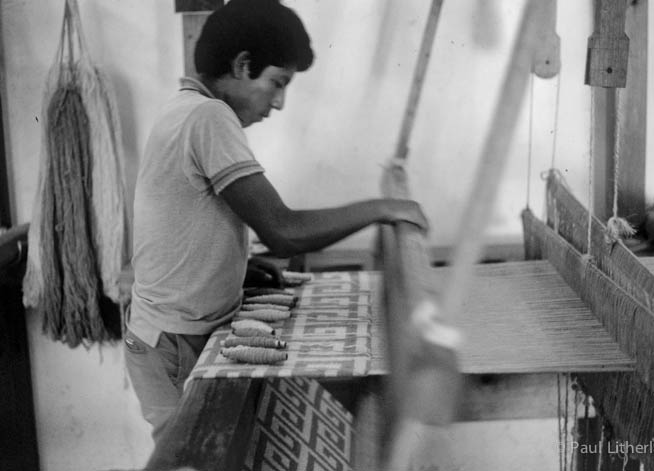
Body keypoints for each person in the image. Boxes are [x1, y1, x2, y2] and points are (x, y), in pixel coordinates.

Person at [124, 0, 428, 441]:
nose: (280, 103)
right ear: (243, 65)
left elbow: (180, 224)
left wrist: (234, 267)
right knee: (191, 455)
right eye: (277, 83)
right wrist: (382, 208)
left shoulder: (187, 109)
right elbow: (283, 232)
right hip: (172, 343)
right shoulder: (209, 117)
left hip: (171, 334)